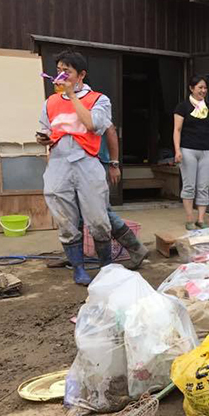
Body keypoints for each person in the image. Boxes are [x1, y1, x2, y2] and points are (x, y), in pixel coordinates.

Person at [37, 50, 113, 286]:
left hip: (86, 161)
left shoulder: (99, 99)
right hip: (58, 162)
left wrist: (71, 96)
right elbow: (46, 129)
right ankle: (78, 269)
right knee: (65, 220)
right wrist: (43, 138)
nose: (61, 76)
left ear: (81, 75)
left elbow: (92, 124)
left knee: (98, 220)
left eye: (66, 72)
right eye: (58, 71)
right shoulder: (50, 102)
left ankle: (107, 268)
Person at [173, 76, 209, 230]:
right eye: (200, 87)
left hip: (206, 151)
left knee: (203, 186)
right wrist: (177, 150)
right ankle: (190, 219)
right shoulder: (182, 107)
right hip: (188, 150)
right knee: (189, 186)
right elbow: (177, 130)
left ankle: (201, 220)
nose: (203, 90)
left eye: (205, 88)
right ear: (191, 88)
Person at [96, 125, 149, 270]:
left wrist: (113, 163)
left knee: (101, 211)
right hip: (74, 164)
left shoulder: (97, 103)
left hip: (98, 161)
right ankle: (74, 255)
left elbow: (110, 130)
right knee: (78, 211)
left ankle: (136, 248)